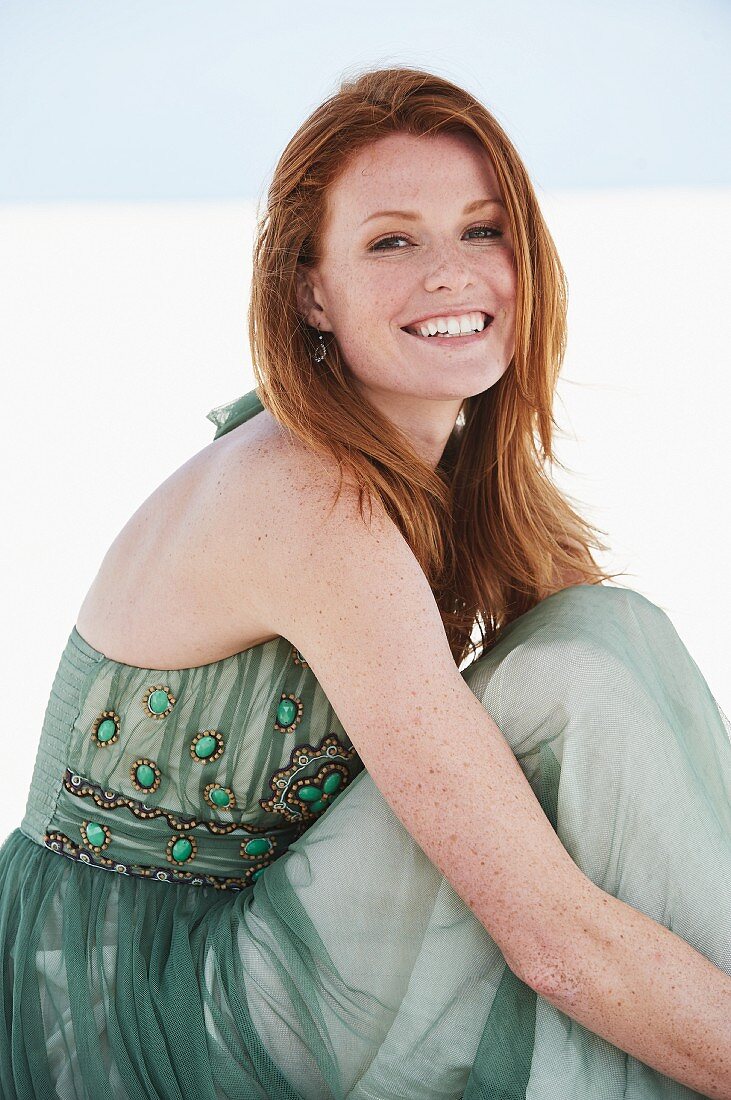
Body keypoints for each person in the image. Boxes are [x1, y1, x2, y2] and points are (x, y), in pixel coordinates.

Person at [0, 65, 729, 1100]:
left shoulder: (449, 470)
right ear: (309, 287)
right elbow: (552, 939)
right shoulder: (308, 499)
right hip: (133, 1005)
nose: (449, 271)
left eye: (481, 230)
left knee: (605, 639)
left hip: (250, 937)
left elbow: (631, 765)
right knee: (579, 681)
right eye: (392, 240)